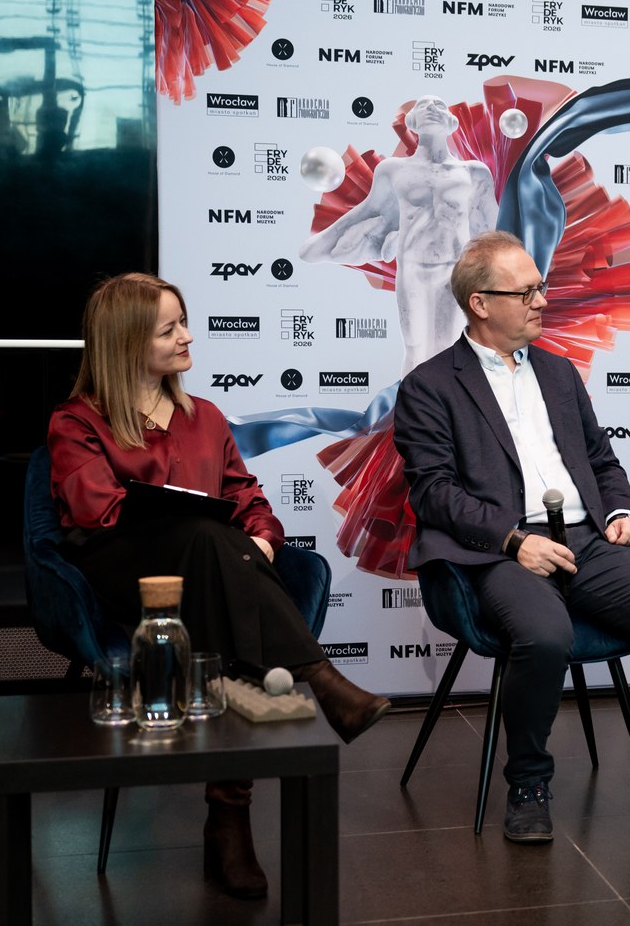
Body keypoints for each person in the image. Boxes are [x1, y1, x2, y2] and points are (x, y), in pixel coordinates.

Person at [392, 231, 630, 859]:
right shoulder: (430, 385)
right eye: (527, 291)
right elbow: (434, 493)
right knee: (545, 633)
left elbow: (600, 459)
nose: (542, 300)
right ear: (480, 303)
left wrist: (623, 511)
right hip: (503, 551)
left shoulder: (558, 372)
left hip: (587, 540)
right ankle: (529, 784)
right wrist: (513, 541)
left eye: (541, 287)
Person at [48, 273, 392, 899]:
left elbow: (246, 497)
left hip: (209, 574)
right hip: (121, 576)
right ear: (127, 342)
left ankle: (228, 816)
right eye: (169, 329)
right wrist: (203, 530)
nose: (187, 336)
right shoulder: (76, 422)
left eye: (184, 321)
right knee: (207, 537)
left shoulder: (202, 416)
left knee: (220, 557)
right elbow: (98, 512)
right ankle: (315, 681)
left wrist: (260, 540)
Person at [300, 94, 498, 376]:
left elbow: (492, 230)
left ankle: (449, 404)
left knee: (450, 347)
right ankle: (413, 404)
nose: (431, 109)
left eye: (438, 105)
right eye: (423, 106)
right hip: (413, 269)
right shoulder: (393, 170)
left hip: (455, 270)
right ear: (412, 121)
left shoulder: (474, 173)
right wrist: (323, 242)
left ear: (451, 121)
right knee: (415, 348)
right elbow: (368, 212)